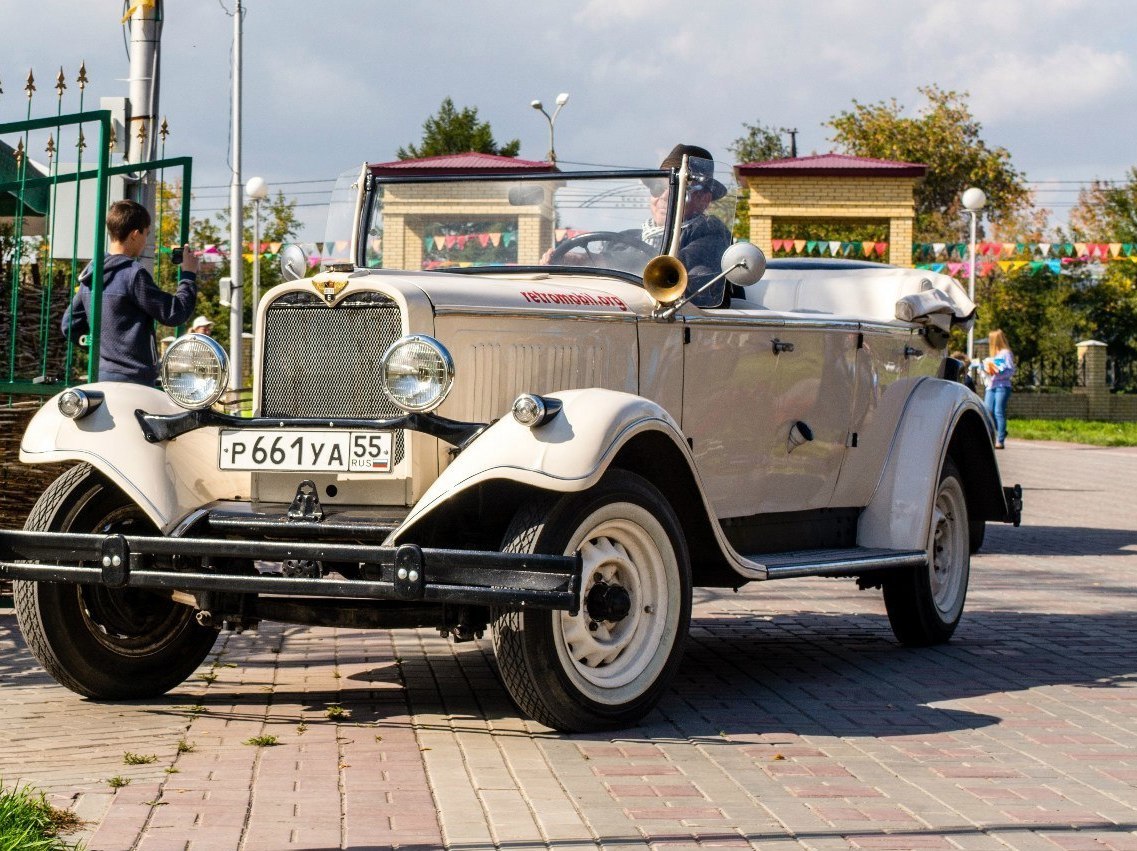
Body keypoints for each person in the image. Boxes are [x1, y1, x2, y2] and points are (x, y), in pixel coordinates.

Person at [61, 199, 199, 385]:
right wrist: (188, 276)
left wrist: (100, 345)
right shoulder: (133, 274)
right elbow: (174, 313)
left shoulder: (91, 274)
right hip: (135, 380)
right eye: (146, 234)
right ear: (135, 234)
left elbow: (69, 325)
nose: (145, 241)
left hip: (101, 377)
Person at [640, 144, 733, 308]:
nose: (664, 196)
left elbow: (679, 262)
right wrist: (588, 259)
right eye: (657, 188)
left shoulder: (712, 236)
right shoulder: (631, 237)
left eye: (680, 189)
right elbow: (614, 259)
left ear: (703, 200)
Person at [982, 329, 1015, 448]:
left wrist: (999, 373)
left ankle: (1000, 440)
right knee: (987, 411)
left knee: (998, 412)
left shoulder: (1005, 353)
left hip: (1002, 386)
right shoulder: (994, 355)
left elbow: (1011, 370)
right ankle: (993, 434)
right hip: (991, 386)